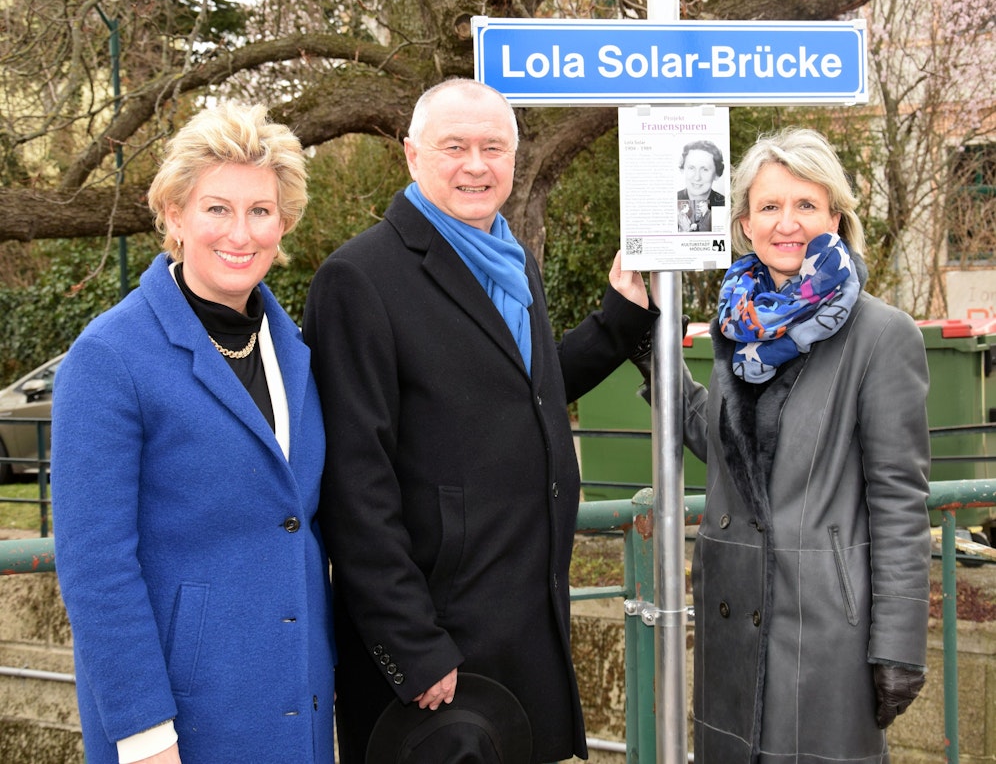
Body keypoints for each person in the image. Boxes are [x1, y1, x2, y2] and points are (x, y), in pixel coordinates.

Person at [302, 78, 658, 764]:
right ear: (412, 156)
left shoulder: (509, 258)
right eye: (454, 147)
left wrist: (617, 317)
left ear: (515, 159)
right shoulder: (359, 278)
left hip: (523, 619)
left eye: (493, 147)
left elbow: (521, 390)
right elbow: (354, 481)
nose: (476, 164)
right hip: (439, 646)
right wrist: (409, 642)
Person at [51, 103, 336, 764]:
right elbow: (96, 568)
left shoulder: (292, 347)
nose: (240, 231)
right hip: (182, 724)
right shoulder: (109, 357)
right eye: (216, 208)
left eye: (261, 210)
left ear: (283, 223)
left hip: (297, 707)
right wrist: (145, 734)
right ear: (174, 214)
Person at [678, 127, 931, 762]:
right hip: (732, 627)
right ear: (743, 226)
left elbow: (900, 501)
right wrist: (654, 363)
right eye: (769, 207)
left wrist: (898, 645)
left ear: (836, 220)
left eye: (806, 206)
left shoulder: (882, 335)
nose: (786, 223)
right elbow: (730, 451)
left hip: (825, 633)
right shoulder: (738, 328)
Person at [677, 138, 725, 210]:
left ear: (716, 174)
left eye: (705, 169)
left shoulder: (724, 203)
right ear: (683, 169)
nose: (697, 177)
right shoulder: (671, 200)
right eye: (691, 168)